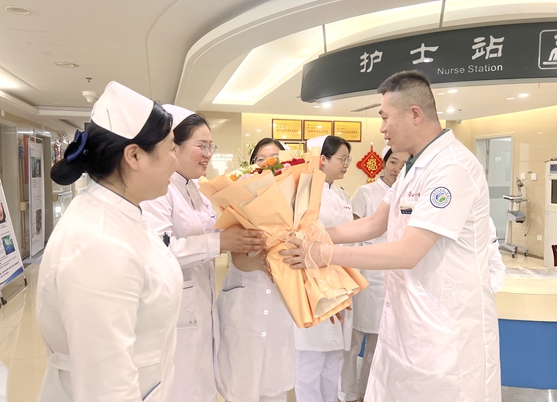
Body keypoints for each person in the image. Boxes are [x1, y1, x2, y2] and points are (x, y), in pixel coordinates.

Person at [282, 70, 501, 402]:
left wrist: (322, 253)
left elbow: (407, 253)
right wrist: (313, 235)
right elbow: (373, 223)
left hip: (444, 330)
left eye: (385, 117)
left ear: (415, 114)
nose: (382, 128)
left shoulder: (452, 167)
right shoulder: (413, 168)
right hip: (409, 320)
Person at [36, 81, 182, 401]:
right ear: (135, 155)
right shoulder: (99, 246)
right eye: (172, 148)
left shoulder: (119, 213)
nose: (177, 159)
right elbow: (106, 387)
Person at [140, 105, 267, 402]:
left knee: (202, 381)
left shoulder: (197, 188)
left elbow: (209, 230)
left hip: (201, 300)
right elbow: (159, 250)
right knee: (181, 386)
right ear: (173, 146)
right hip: (177, 308)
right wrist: (220, 243)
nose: (208, 154)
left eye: (211, 146)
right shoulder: (158, 191)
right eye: (202, 146)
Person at [217, 137, 295, 402]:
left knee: (274, 380)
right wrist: (267, 262)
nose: (267, 165)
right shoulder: (238, 201)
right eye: (261, 159)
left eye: (275, 160)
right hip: (246, 292)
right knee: (242, 377)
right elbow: (238, 255)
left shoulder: (295, 204)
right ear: (251, 165)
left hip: (280, 296)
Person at [338, 146, 408, 402]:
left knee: (379, 344)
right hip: (364, 272)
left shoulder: (410, 195)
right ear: (384, 163)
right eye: (393, 162)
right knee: (352, 340)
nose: (397, 168)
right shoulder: (365, 192)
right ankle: (347, 393)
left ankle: (368, 393)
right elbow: (354, 232)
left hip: (392, 274)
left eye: (404, 164)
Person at [294, 135, 354, 402]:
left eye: (348, 159)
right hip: (313, 281)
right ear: (323, 160)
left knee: (334, 358)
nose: (346, 164)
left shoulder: (341, 194)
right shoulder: (305, 192)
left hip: (341, 280)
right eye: (342, 158)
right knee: (310, 361)